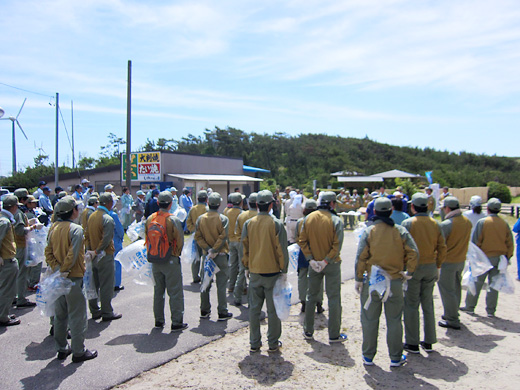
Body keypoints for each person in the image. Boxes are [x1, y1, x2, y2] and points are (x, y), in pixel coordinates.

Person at [355, 197, 418, 367]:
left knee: (369, 319)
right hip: (394, 281)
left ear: (374, 212)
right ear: (391, 211)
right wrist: (409, 272)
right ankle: (395, 357)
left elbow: (361, 257)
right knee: (395, 320)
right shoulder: (400, 231)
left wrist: (359, 278)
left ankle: (368, 356)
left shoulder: (369, 231)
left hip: (373, 282)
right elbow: (414, 253)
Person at [45, 196, 98, 362]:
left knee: (60, 315)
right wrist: (65, 270)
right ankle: (79, 351)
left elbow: (48, 252)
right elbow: (73, 254)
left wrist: (56, 269)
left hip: (58, 277)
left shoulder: (53, 228)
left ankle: (62, 348)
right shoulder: (76, 229)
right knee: (77, 315)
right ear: (72, 211)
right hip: (72, 277)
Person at [242, 190, 288, 352]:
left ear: (256, 205)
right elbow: (281, 249)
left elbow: (245, 248)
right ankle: (273, 343)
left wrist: (247, 266)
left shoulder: (249, 223)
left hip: (254, 271)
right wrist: (284, 270)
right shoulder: (276, 224)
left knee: (254, 310)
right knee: (273, 310)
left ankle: (254, 343)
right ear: (270, 205)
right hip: (273, 273)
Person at [401, 193, 447, 354]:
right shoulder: (435, 223)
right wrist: (439, 266)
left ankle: (412, 342)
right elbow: (442, 247)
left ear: (412, 206)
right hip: (431, 266)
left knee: (411, 304)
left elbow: (402, 246)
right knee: (428, 304)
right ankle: (429, 340)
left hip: (413, 268)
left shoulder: (408, 223)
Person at [299, 191, 347, 343]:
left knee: (311, 296)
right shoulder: (336, 220)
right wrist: (326, 260)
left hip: (314, 264)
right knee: (333, 298)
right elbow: (337, 245)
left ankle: (308, 330)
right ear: (332, 203)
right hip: (331, 264)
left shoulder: (308, 218)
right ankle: (334, 334)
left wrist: (311, 259)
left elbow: (302, 241)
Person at [462, 198, 514, 317]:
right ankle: (491, 310)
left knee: (477, 282)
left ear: (488, 209)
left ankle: (470, 306)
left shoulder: (483, 222)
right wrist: (508, 257)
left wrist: (473, 257)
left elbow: (476, 241)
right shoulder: (504, 223)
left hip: (483, 257)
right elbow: (509, 242)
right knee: (494, 284)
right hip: (499, 257)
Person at [145, 191, 187, 332]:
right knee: (174, 292)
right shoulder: (173, 219)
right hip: (170, 259)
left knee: (158, 291)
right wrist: (175, 254)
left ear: (158, 203)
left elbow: (146, 236)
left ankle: (159, 321)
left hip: (155, 259)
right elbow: (180, 240)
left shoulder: (150, 218)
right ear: (170, 204)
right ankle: (176, 322)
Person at [194, 192, 232, 321]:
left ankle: (204, 310)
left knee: (205, 283)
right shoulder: (223, 219)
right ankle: (222, 311)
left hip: (207, 256)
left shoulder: (201, 218)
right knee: (221, 285)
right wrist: (215, 249)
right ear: (219, 204)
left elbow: (198, 236)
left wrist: (208, 249)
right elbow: (223, 236)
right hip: (220, 255)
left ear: (208, 203)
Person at [84, 193, 122, 322]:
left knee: (93, 284)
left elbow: (87, 234)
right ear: (109, 203)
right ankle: (107, 311)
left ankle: (94, 310)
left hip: (92, 254)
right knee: (106, 284)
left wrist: (90, 250)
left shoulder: (92, 216)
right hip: (104, 255)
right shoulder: (107, 218)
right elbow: (106, 239)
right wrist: (97, 250)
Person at [437, 196, 473, 330]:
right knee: (456, 288)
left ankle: (452, 319)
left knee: (447, 291)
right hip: (460, 259)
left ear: (447, 208)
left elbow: (440, 244)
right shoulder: (466, 221)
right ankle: (452, 312)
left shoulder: (447, 224)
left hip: (448, 261)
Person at [295, 199, 324, 313]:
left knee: (302, 277)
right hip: (318, 252)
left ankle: (303, 302)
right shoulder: (320, 221)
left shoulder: (300, 222)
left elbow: (297, 238)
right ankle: (318, 303)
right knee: (318, 278)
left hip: (303, 252)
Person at [13, 188, 40, 307]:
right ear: (23, 199)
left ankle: (14, 296)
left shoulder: (14, 211)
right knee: (21, 273)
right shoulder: (19, 212)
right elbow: (19, 230)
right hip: (20, 245)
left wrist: (29, 222)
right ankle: (21, 299)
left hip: (15, 245)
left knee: (16, 274)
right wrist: (33, 227)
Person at [0, 195, 22, 326]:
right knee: (7, 290)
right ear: (14, 207)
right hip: (7, 260)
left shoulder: (5, 219)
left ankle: (4, 312)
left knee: (5, 289)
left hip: (7, 259)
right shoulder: (5, 222)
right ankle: (3, 317)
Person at [233, 192, 258, 306]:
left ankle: (237, 297)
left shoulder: (242, 215)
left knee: (242, 271)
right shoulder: (260, 217)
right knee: (254, 274)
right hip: (257, 248)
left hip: (242, 246)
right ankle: (251, 300)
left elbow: (237, 233)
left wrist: (242, 242)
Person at [186, 190, 209, 283]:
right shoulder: (207, 209)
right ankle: (204, 275)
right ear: (206, 199)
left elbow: (188, 222)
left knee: (196, 256)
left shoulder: (193, 209)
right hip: (205, 236)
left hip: (195, 235)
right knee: (205, 256)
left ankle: (195, 276)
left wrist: (193, 229)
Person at [224, 193, 243, 293]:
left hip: (230, 241)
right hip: (239, 241)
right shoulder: (242, 213)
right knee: (241, 265)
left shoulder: (227, 212)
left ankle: (231, 285)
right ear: (240, 202)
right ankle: (242, 287)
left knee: (232, 264)